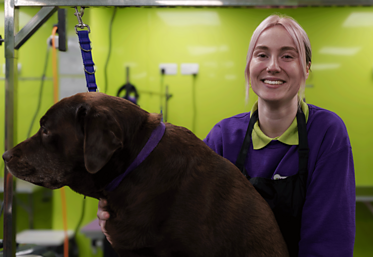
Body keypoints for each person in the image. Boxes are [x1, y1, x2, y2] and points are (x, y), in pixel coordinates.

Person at [98, 14, 356, 256]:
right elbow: (183, 216)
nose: (273, 66)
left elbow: (330, 241)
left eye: (288, 56)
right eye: (262, 54)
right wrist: (123, 215)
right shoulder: (223, 137)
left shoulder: (326, 133)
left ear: (307, 68)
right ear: (249, 66)